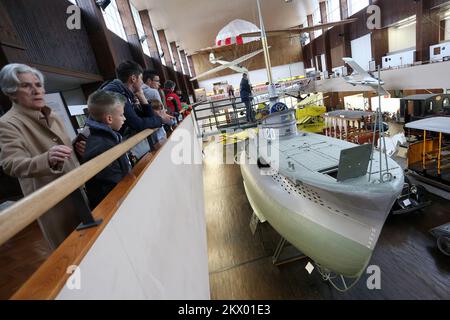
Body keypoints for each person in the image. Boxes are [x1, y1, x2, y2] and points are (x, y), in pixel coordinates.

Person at [0, 63, 84, 249]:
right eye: (26, 86)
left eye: (38, 85)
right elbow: (11, 164)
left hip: (77, 189)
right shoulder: (7, 123)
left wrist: (77, 149)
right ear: (11, 92)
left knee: (92, 243)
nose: (35, 90)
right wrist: (46, 160)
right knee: (70, 252)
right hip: (52, 201)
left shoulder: (52, 114)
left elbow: (62, 148)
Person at [82, 91, 131, 208]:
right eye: (121, 115)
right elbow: (112, 183)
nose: (124, 118)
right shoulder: (102, 145)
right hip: (113, 205)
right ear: (109, 119)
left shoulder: (108, 138)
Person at [100, 61, 174, 135]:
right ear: (133, 78)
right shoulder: (116, 94)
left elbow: (146, 117)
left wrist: (142, 97)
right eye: (141, 78)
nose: (142, 82)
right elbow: (137, 124)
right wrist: (161, 120)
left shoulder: (124, 92)